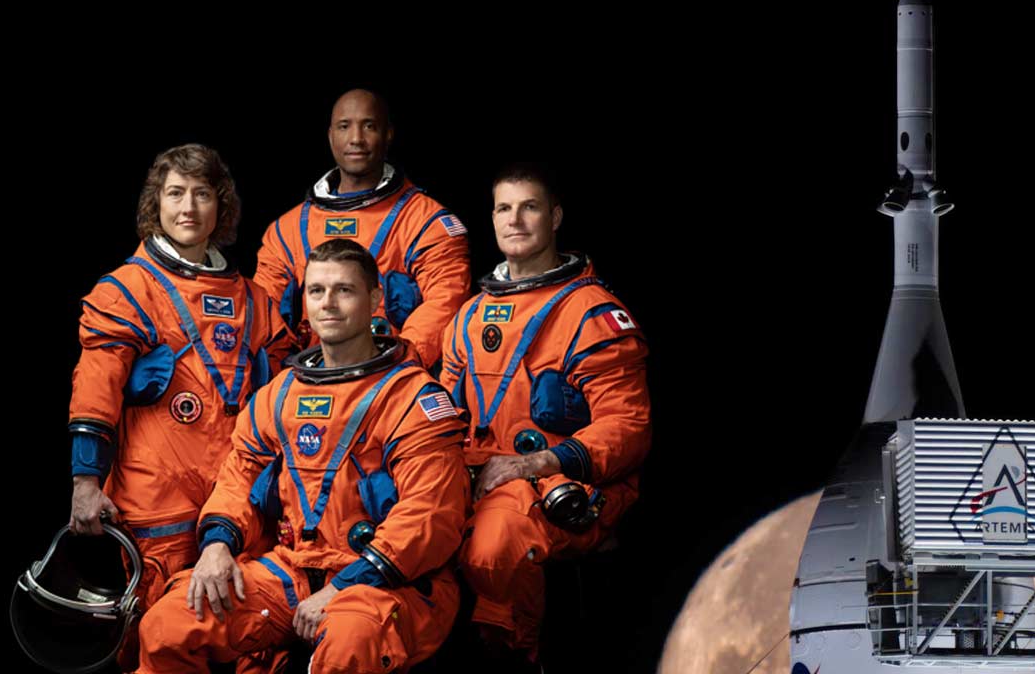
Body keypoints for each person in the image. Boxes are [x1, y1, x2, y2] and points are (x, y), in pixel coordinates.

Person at [137, 239, 469, 673]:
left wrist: (345, 585)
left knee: (350, 641)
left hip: (387, 579)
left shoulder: (412, 397)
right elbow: (239, 478)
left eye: (344, 290)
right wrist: (217, 545)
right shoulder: (278, 396)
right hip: (292, 570)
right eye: (316, 291)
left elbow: (431, 515)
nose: (327, 303)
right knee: (168, 624)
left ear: (374, 299)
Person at [68, 143, 293, 664]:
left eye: (201, 194)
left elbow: (286, 398)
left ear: (221, 205)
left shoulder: (254, 301)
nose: (188, 207)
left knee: (245, 632)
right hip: (159, 503)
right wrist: (85, 482)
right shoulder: (128, 290)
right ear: (157, 204)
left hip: (240, 499)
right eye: (175, 194)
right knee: (157, 637)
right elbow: (95, 389)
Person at [441, 163, 651, 662]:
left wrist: (536, 463)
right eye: (504, 208)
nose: (514, 220)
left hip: (563, 482)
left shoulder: (592, 314)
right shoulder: (469, 315)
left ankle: (516, 657)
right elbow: (444, 419)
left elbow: (628, 428)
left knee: (496, 544)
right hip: (482, 476)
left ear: (554, 217)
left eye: (529, 207)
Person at [254, 88, 471, 369]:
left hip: (390, 377)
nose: (356, 138)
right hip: (307, 379)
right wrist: (283, 374)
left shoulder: (426, 222)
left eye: (368, 126)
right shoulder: (287, 231)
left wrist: (393, 367)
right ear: (331, 135)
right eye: (344, 126)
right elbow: (263, 314)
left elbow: (445, 302)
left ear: (388, 134)